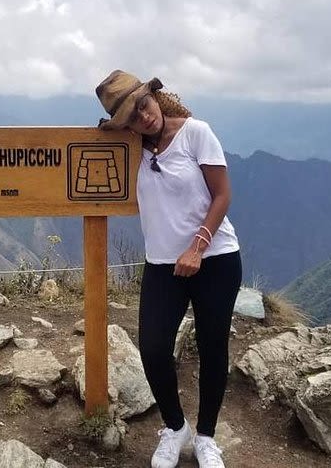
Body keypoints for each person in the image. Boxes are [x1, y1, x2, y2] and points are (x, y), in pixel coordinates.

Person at [95, 70, 242, 468]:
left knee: (214, 348)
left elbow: (223, 194)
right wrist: (110, 129)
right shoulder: (132, 146)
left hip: (215, 259)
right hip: (162, 265)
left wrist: (197, 247)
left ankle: (207, 437)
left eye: (144, 104)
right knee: (154, 348)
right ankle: (175, 428)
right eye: (132, 115)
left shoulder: (196, 133)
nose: (144, 116)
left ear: (156, 97)